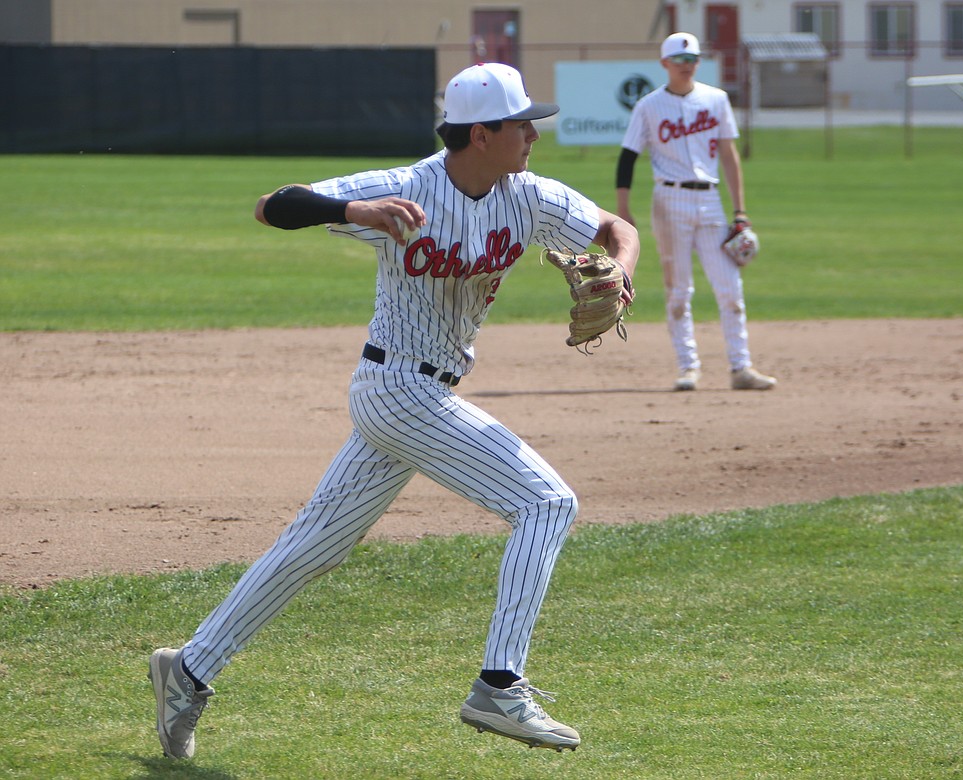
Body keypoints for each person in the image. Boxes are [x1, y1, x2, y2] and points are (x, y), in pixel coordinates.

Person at [149, 61, 639, 758]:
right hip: (395, 387)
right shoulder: (407, 188)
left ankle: (188, 669)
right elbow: (273, 205)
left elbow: (618, 228)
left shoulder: (527, 196)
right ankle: (499, 687)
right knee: (546, 503)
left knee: (312, 547)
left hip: (426, 395)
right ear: (481, 133)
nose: (533, 133)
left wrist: (621, 272)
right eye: (522, 123)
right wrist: (354, 211)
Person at [615, 32, 775, 392]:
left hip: (711, 201)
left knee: (730, 287)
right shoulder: (649, 106)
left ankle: (741, 368)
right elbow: (628, 157)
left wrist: (740, 211)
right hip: (669, 201)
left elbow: (729, 157)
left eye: (693, 60)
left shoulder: (716, 99)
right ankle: (688, 367)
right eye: (680, 60)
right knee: (679, 290)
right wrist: (623, 206)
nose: (688, 66)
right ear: (665, 64)